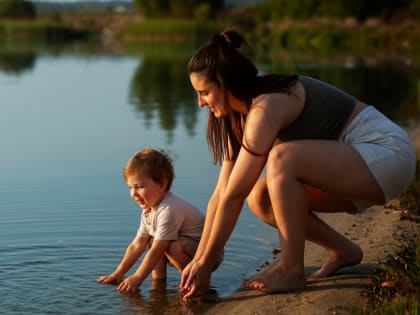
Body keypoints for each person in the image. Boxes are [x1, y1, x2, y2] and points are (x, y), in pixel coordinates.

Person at [180, 29, 416, 299]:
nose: (200, 103)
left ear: (225, 83)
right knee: (261, 197)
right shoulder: (240, 119)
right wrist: (199, 262)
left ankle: (291, 271)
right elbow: (222, 193)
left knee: (282, 158)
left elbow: (234, 195)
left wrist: (207, 264)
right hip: (357, 168)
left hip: (386, 154)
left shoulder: (266, 107)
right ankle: (343, 250)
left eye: (204, 93)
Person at [97, 148, 223, 293]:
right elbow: (137, 245)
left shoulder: (169, 210)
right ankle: (158, 284)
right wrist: (118, 273)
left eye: (139, 187)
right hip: (188, 248)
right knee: (152, 240)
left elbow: (158, 249)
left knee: (166, 244)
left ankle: (192, 281)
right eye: (130, 188)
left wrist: (137, 277)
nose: (133, 194)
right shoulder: (149, 210)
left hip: (208, 256)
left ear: (162, 184)